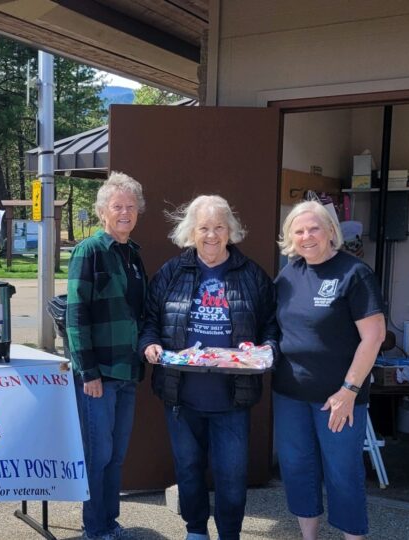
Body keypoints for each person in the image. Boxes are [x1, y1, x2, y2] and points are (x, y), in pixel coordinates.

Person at [139, 195, 278, 540]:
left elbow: (271, 326)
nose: (212, 235)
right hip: (181, 397)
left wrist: (267, 349)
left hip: (232, 400)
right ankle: (196, 531)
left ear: (230, 231)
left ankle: (230, 533)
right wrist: (150, 345)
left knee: (232, 475)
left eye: (219, 227)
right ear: (191, 231)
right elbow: (150, 320)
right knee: (188, 470)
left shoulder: (252, 275)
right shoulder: (171, 273)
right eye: (204, 227)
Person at [273, 200, 386, 540]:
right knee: (297, 469)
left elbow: (374, 336)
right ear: (290, 237)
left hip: (338, 398)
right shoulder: (289, 273)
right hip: (290, 393)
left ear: (330, 232)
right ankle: (309, 536)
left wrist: (349, 391)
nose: (306, 236)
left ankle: (352, 536)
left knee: (343, 472)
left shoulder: (354, 273)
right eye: (299, 230)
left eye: (314, 228)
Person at [66, 172, 148, 540]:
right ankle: (94, 528)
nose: (125, 212)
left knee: (116, 456)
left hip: (127, 371)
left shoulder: (133, 253)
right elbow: (76, 315)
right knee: (98, 457)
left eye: (131, 206)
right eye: (118, 206)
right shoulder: (91, 251)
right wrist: (88, 373)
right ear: (102, 212)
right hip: (99, 375)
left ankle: (109, 522)